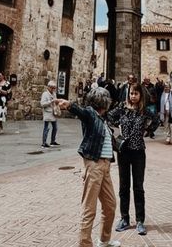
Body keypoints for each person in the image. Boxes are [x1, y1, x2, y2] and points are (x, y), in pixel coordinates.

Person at [56, 87, 120, 247]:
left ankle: (104, 240)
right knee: (89, 208)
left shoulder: (101, 119)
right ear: (103, 102)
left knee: (110, 205)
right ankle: (85, 244)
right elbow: (82, 112)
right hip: (94, 165)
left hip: (105, 167)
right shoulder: (91, 114)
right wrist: (69, 105)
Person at [107, 83, 158, 236]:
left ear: (141, 95)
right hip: (123, 151)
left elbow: (156, 121)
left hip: (138, 153)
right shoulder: (122, 108)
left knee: (138, 187)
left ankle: (140, 220)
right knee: (124, 187)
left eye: (136, 93)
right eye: (131, 93)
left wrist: (147, 131)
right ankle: (124, 218)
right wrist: (117, 128)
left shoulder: (145, 111)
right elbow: (109, 116)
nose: (133, 96)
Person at [40, 80, 61, 148]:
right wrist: (50, 101)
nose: (53, 89)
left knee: (55, 128)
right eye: (52, 88)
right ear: (48, 87)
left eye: (54, 88)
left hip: (53, 113)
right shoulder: (45, 94)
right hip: (47, 112)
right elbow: (42, 104)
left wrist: (57, 102)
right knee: (46, 128)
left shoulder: (54, 94)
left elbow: (55, 101)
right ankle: (44, 142)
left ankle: (52, 141)